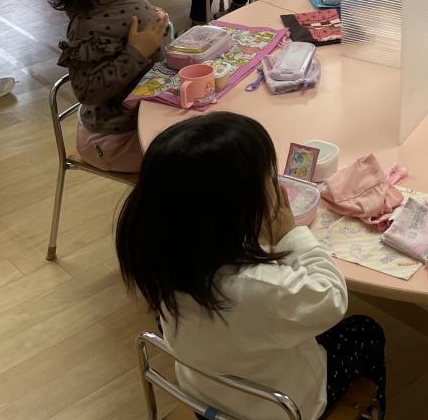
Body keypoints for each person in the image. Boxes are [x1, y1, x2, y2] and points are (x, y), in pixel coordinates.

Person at [115, 112, 387, 420]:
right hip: (283, 408)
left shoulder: (161, 259)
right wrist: (289, 234)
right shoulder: (258, 288)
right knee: (365, 331)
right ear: (236, 209)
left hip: (205, 398)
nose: (275, 185)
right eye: (268, 177)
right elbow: (333, 296)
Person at [49, 0, 167, 173]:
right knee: (201, 160)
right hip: (113, 140)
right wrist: (136, 52)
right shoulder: (87, 25)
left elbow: (129, 23)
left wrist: (154, 21)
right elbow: (87, 90)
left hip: (145, 118)